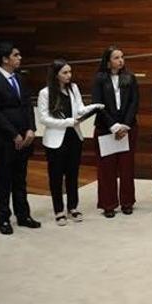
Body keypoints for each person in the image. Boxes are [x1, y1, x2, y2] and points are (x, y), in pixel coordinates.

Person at [0, 42, 40, 235]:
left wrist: (31, 128)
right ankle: (4, 217)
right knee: (4, 179)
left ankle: (23, 215)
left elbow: (28, 104)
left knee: (20, 178)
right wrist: (13, 134)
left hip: (25, 136)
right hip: (5, 138)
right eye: (16, 55)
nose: (19, 58)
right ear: (5, 59)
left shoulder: (20, 79)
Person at [37, 60, 103, 226]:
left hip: (74, 137)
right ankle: (59, 210)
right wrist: (67, 122)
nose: (69, 76)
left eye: (70, 72)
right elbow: (44, 119)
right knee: (56, 176)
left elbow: (80, 109)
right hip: (55, 141)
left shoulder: (73, 88)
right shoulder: (45, 93)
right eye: (65, 73)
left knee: (72, 174)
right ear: (56, 74)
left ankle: (72, 207)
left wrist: (95, 106)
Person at [91, 46, 140, 218]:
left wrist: (125, 125)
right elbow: (98, 105)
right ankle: (108, 204)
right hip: (106, 128)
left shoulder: (130, 77)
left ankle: (127, 202)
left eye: (122, 57)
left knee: (127, 167)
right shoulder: (99, 79)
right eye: (116, 57)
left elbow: (134, 102)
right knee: (107, 168)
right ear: (108, 61)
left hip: (127, 128)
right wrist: (113, 126)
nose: (121, 60)